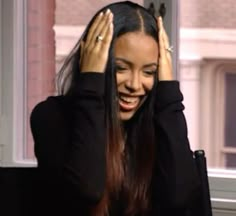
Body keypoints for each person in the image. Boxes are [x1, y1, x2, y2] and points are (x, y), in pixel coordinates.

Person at [30, 1, 200, 215]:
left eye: (149, 72)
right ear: (93, 61)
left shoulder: (158, 123)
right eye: (120, 68)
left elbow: (179, 197)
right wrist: (90, 85)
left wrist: (168, 92)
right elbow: (86, 192)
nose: (135, 85)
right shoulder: (50, 116)